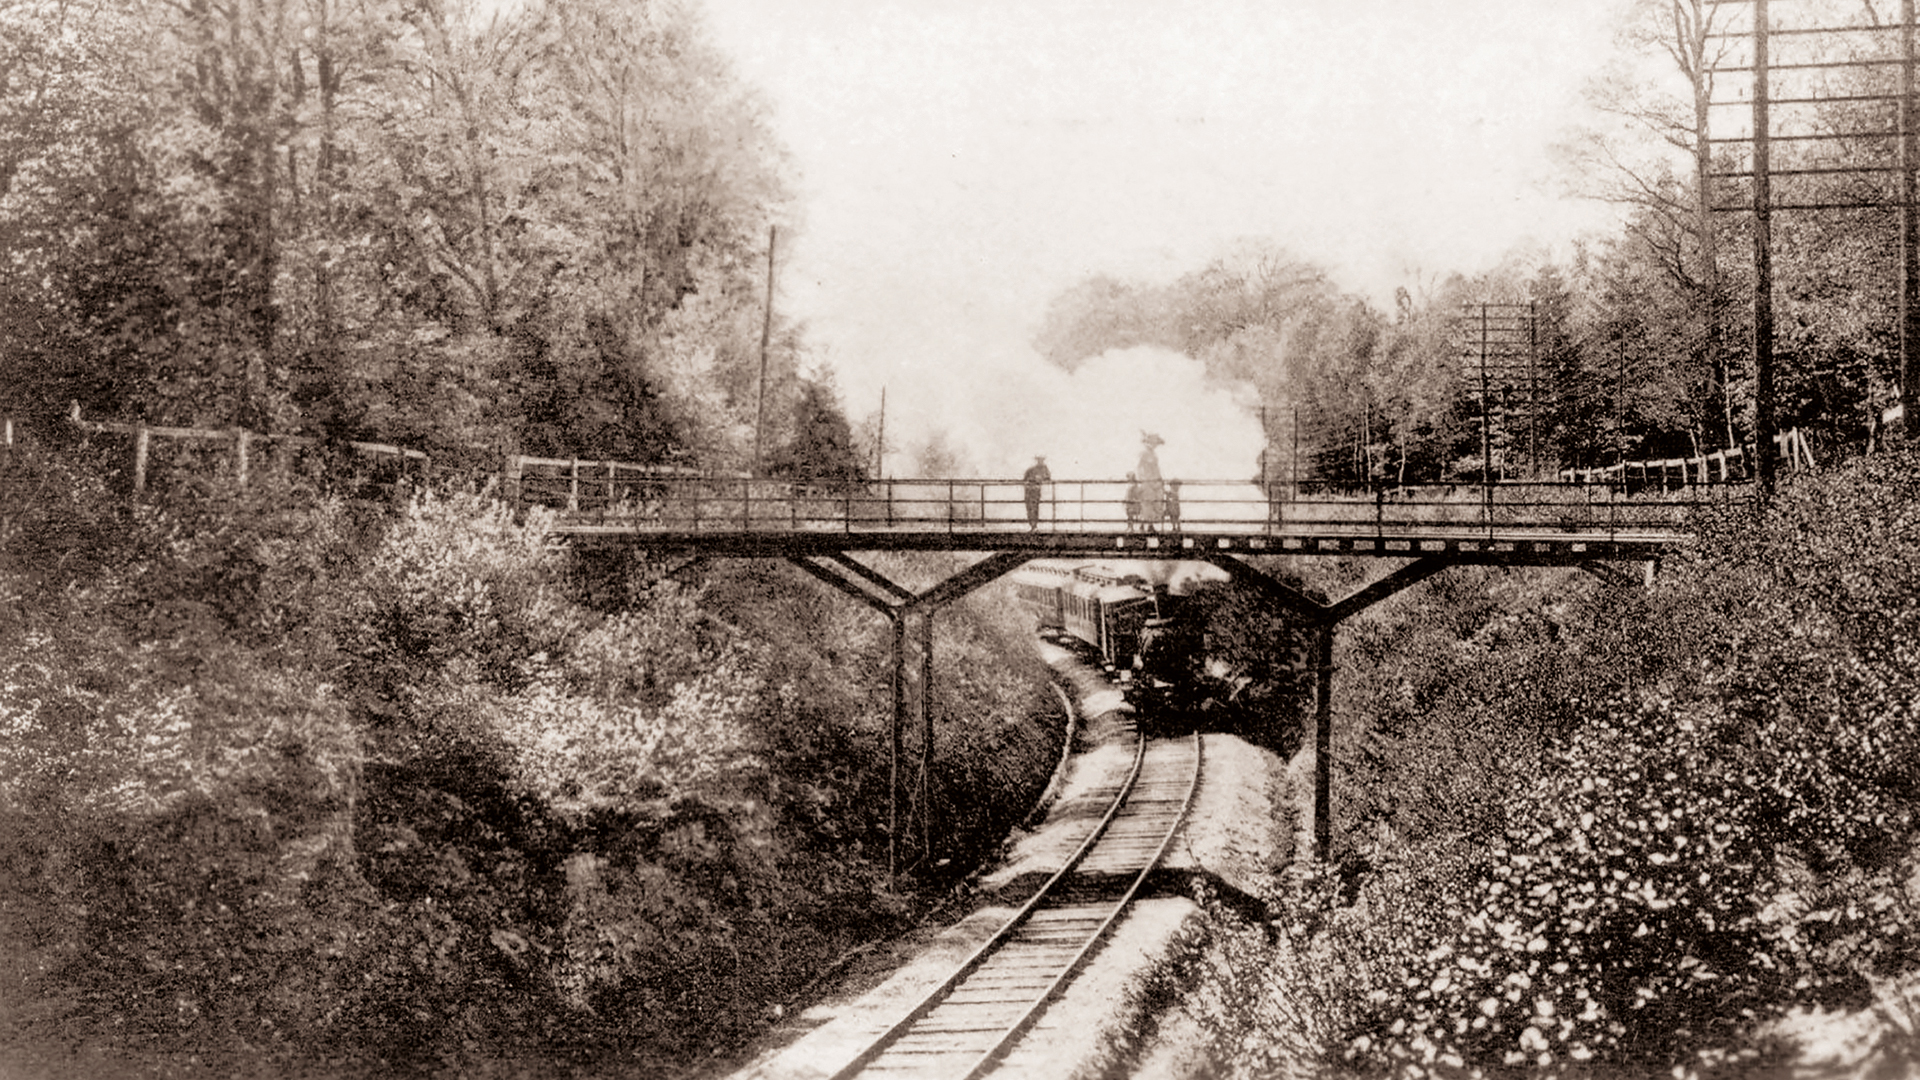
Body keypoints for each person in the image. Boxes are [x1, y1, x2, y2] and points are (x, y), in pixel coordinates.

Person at [1135, 432, 1164, 531]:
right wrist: (1147, 480)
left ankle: (1150, 525)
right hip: (1147, 482)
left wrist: (1158, 479)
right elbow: (1141, 469)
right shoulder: (1143, 453)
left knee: (1153, 503)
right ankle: (1143, 525)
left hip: (1153, 481)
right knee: (1146, 503)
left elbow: (1156, 469)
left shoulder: (1152, 454)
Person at [1022, 454, 1051, 530]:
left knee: (1034, 508)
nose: (1040, 462)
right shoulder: (1031, 469)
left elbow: (1048, 478)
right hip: (1029, 490)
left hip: (1036, 491)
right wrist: (1030, 481)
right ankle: (1032, 525)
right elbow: (1025, 479)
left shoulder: (1045, 469)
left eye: (1041, 460)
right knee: (1029, 507)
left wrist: (1041, 479)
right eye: (1039, 460)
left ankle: (1034, 525)